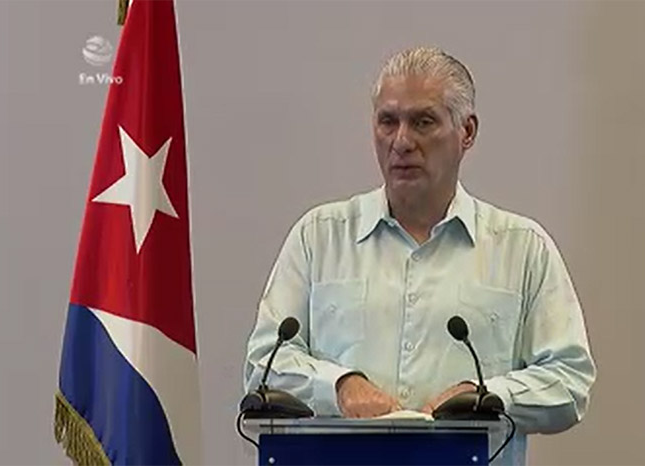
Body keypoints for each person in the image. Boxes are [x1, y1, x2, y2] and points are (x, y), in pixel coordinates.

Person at [243, 46, 595, 464]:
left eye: (423, 122)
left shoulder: (521, 248)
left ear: (467, 132)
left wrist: (488, 396)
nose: (402, 142)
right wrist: (338, 386)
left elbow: (569, 380)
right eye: (387, 121)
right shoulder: (319, 237)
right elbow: (263, 363)